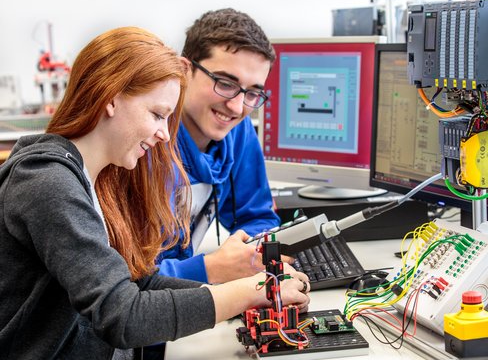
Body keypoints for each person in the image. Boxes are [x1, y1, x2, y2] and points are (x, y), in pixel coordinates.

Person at [0, 26, 310, 359]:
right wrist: (249, 290)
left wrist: (255, 291)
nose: (165, 134)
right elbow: (122, 314)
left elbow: (139, 282)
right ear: (110, 99)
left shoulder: (95, 176)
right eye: (157, 115)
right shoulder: (47, 183)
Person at [157, 8, 287, 285]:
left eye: (252, 92)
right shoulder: (147, 141)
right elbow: (120, 281)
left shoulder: (236, 133)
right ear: (184, 70)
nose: (238, 107)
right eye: (225, 83)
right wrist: (210, 268)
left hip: (180, 297)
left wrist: (251, 253)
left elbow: (258, 217)